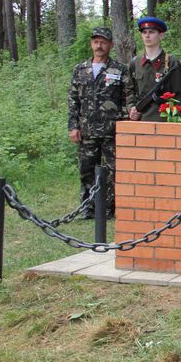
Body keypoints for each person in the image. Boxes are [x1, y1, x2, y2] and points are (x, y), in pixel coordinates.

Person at [67, 26, 134, 219]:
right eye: (96, 42)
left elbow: (128, 98)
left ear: (110, 45)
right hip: (86, 130)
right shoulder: (80, 69)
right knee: (86, 170)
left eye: (103, 42)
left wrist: (124, 118)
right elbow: (73, 101)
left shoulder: (119, 70)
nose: (99, 45)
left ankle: (108, 208)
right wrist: (73, 126)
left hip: (111, 131)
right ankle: (87, 207)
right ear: (91, 44)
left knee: (113, 171)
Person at [128, 17, 181, 122]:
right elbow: (130, 91)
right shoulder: (135, 62)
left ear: (161, 35)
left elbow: (179, 95)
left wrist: (175, 119)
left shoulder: (171, 63)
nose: (147, 35)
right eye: (144, 32)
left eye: (151, 32)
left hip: (164, 121)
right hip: (141, 121)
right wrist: (131, 108)